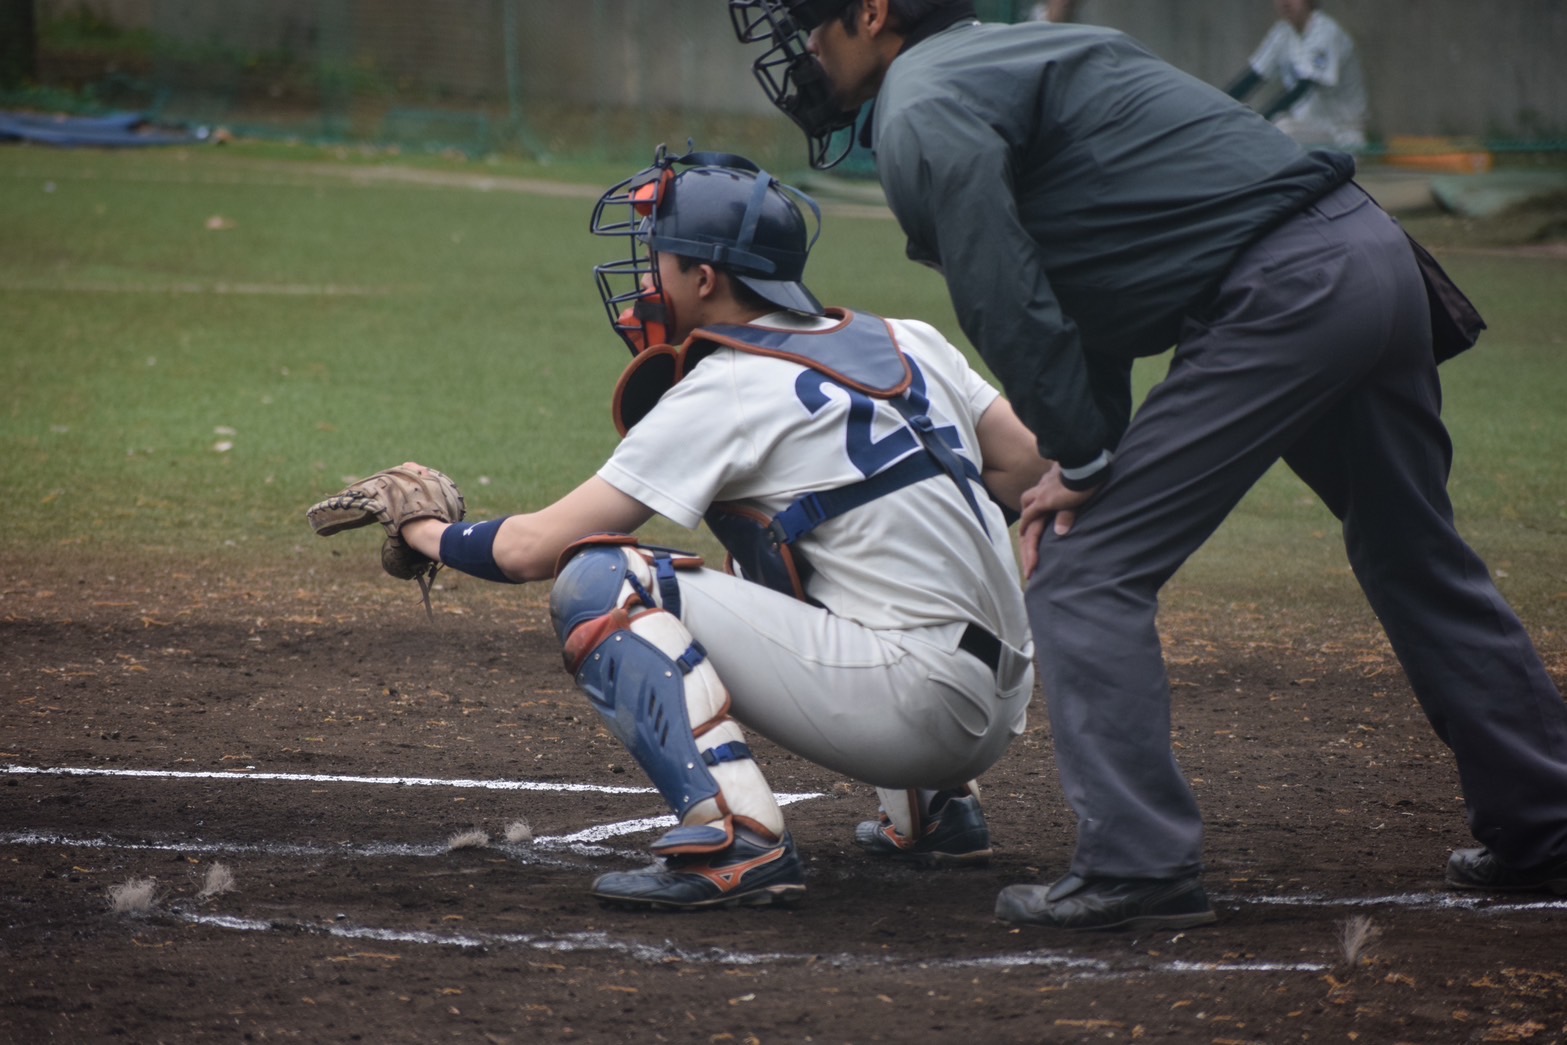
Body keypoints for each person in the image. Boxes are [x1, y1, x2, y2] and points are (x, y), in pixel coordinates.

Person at [728, 0, 1567, 931]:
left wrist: (1083, 460)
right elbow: (1090, 290)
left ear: (874, 13)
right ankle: (1544, 818)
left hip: (1285, 291)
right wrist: (1084, 449)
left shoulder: (921, 102)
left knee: (1084, 569)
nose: (805, 51)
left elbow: (1005, 290)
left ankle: (1138, 863)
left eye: (814, 26)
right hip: (1369, 257)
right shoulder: (1021, 52)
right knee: (1415, 556)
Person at [310, 147, 1045, 911]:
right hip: (1002, 696)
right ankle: (937, 810)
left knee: (601, 582)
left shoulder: (728, 385)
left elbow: (533, 550)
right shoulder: (908, 339)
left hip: (913, 710)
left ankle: (737, 840)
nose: (643, 280)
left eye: (658, 257)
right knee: (773, 551)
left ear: (705, 278)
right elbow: (1027, 466)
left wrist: (423, 529)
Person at [1226, 0, 1368, 150]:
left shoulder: (1326, 32)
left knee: (1277, 131)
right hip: (1309, 131)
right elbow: (1251, 78)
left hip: (1342, 135)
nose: (1284, 2)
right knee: (1275, 129)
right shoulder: (1283, 33)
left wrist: (1257, 122)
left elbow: (1304, 87)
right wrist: (1216, 107)